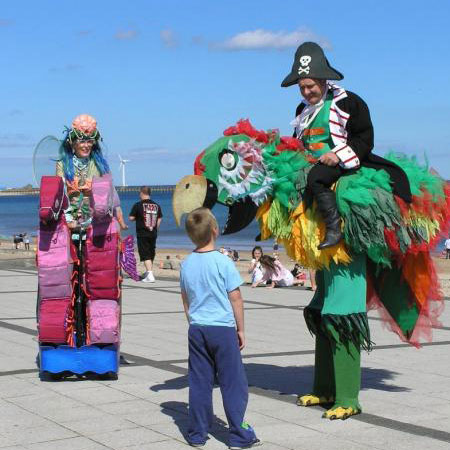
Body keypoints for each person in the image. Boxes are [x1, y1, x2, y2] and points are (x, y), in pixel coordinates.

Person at [282, 42, 411, 249]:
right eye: (302, 87)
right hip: (310, 160)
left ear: (323, 80)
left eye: (310, 86)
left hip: (339, 163)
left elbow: (365, 137)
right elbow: (299, 138)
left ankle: (335, 229)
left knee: (316, 178)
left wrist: (337, 155)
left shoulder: (349, 102)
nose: (306, 92)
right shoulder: (302, 109)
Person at [180, 207, 260, 449]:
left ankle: (197, 433)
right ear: (215, 230)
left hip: (197, 328)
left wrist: (192, 321)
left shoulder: (186, 264)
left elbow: (186, 299)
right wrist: (241, 329)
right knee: (232, 381)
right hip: (223, 329)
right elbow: (235, 298)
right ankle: (238, 434)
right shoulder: (223, 262)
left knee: (200, 381)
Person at [56, 114, 128, 231]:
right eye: (82, 142)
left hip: (95, 219)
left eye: (89, 142)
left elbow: (111, 189)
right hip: (71, 217)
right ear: (73, 143)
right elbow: (60, 191)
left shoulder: (100, 164)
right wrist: (68, 215)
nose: (86, 146)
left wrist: (119, 213)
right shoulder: (63, 164)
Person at [129, 186, 163, 283]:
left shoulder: (138, 205)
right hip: (153, 232)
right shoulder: (156, 205)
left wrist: (138, 217)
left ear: (141, 193)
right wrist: (156, 226)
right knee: (151, 251)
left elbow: (131, 218)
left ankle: (150, 274)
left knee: (145, 253)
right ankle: (148, 273)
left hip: (143, 232)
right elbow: (160, 217)